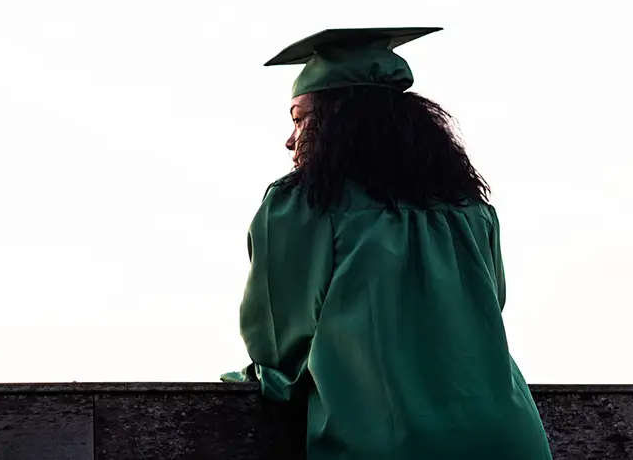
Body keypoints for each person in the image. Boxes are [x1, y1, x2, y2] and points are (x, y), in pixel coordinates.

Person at [225, 27, 553, 460]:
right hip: (509, 440)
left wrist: (261, 378)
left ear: (335, 124)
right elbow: (488, 309)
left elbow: (277, 343)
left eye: (299, 119)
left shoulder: (302, 205)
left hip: (385, 443)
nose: (290, 139)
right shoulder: (469, 207)